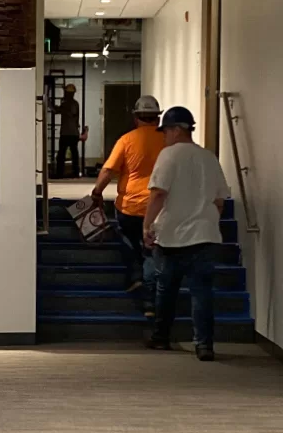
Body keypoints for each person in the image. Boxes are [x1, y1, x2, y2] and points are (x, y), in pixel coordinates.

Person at [144, 105, 231, 361]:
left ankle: (161, 338)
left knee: (166, 290)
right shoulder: (209, 157)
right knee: (202, 293)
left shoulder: (168, 156)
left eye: (165, 131)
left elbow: (158, 193)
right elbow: (219, 200)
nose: (164, 136)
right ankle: (204, 345)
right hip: (204, 236)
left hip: (172, 236)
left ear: (175, 130)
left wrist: (147, 226)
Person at [91, 95, 166, 310]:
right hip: (160, 207)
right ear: (157, 119)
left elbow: (108, 170)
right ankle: (151, 298)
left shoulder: (126, 140)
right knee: (151, 248)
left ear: (136, 118)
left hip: (130, 207)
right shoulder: (168, 141)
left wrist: (97, 192)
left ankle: (136, 276)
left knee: (127, 237)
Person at [54, 85, 83, 178]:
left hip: (68, 133)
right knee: (72, 153)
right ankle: (74, 173)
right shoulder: (72, 103)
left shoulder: (70, 104)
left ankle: (61, 173)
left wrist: (59, 108)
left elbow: (66, 112)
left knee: (62, 154)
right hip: (72, 133)